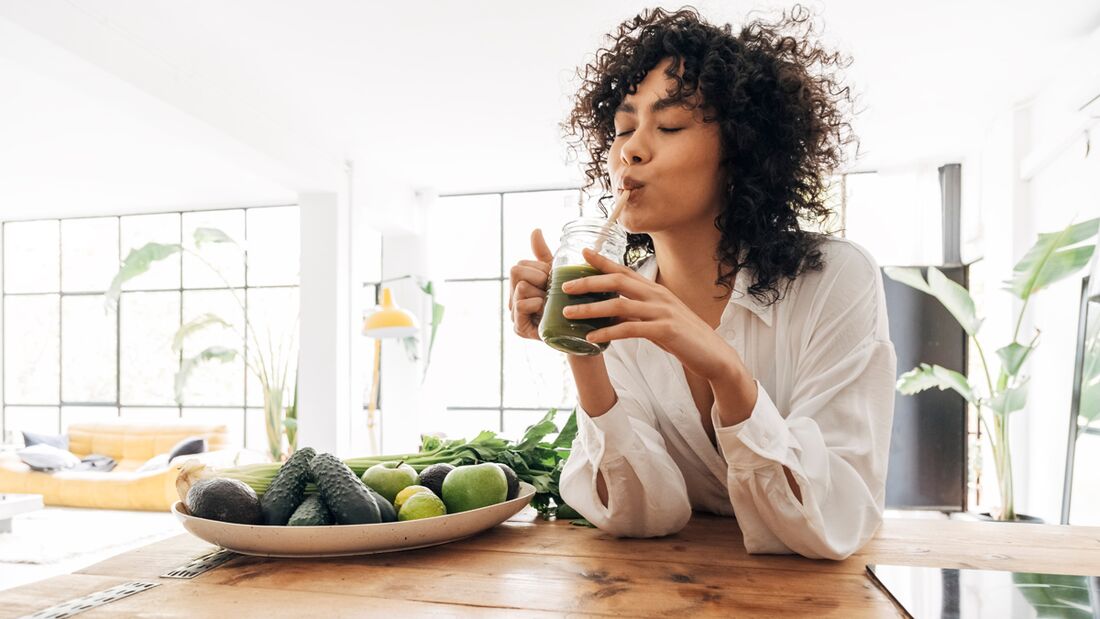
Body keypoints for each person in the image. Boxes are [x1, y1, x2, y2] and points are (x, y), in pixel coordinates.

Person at [508, 6, 896, 560]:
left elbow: (835, 521)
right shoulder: (616, 297)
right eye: (623, 128)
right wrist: (582, 345)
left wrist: (725, 370)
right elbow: (639, 517)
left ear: (739, 149)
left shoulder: (835, 279)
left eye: (668, 126)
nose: (631, 149)